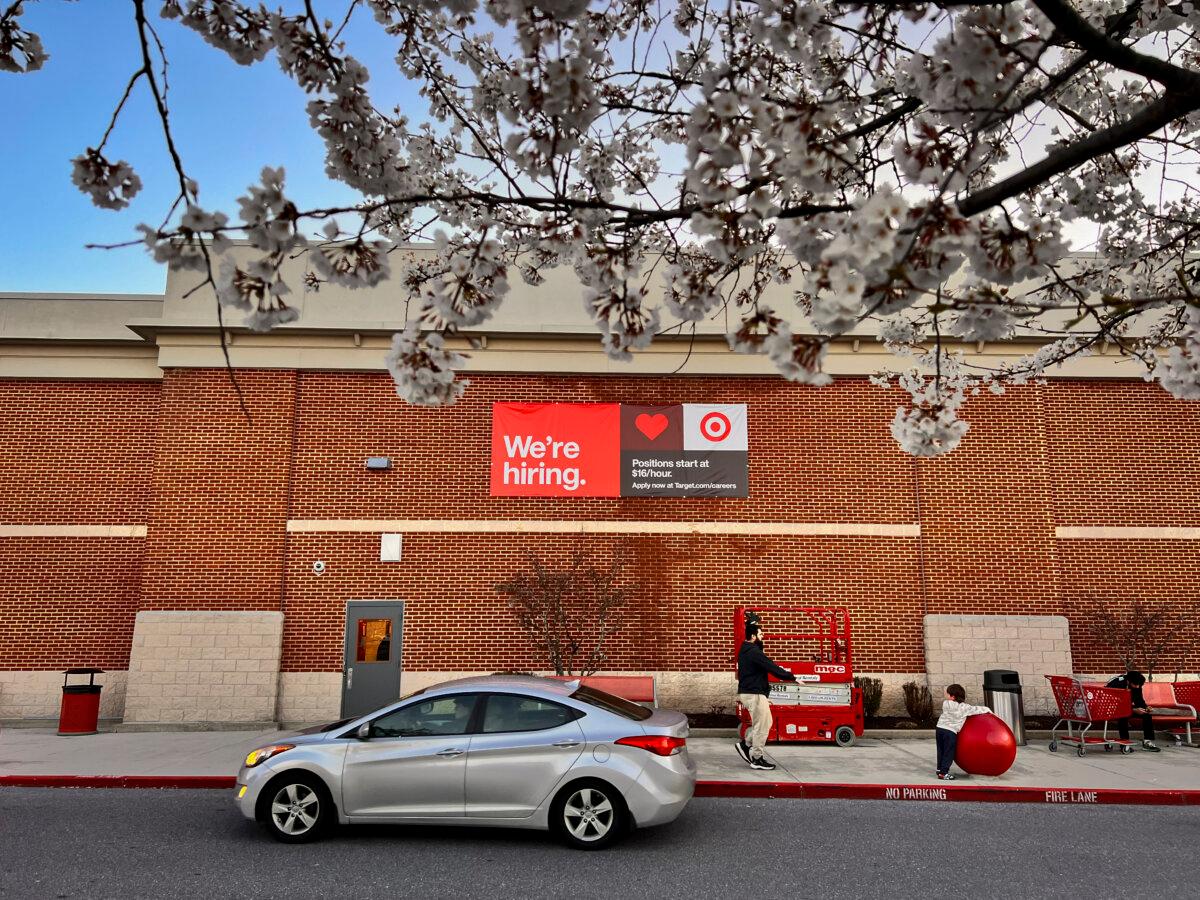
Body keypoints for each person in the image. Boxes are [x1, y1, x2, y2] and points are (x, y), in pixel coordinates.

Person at [735, 621, 797, 771]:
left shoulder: (746, 650)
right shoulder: (753, 652)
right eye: (761, 634)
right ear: (753, 636)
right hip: (753, 694)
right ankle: (756, 758)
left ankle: (746, 744)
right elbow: (772, 667)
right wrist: (792, 677)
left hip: (753, 693)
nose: (763, 636)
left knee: (764, 723)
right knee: (762, 726)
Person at [935, 683, 991, 780]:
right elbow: (976, 709)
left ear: (953, 697)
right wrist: (987, 709)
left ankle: (939, 769)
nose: (946, 696)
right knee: (949, 752)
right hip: (950, 732)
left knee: (941, 750)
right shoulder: (964, 708)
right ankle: (943, 773)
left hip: (940, 728)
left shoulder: (946, 703)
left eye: (947, 694)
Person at [1105, 670, 1161, 752]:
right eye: (1135, 684)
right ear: (1128, 681)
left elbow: (1139, 700)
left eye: (1139, 685)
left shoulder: (1137, 684)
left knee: (1147, 715)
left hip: (1127, 708)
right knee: (1123, 716)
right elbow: (1113, 703)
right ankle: (1124, 742)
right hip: (1110, 709)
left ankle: (1147, 742)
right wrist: (1133, 710)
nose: (1137, 686)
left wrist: (1146, 707)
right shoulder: (1117, 684)